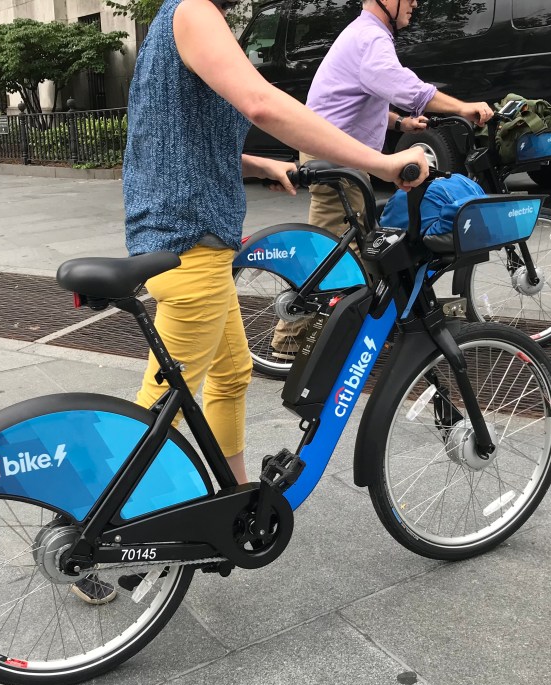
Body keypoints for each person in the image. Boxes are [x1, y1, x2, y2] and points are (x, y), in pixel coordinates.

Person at [69, 0, 428, 606]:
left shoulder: (177, 20)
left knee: (232, 374)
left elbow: (172, 137)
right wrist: (380, 160)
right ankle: (90, 538)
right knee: (160, 405)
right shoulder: (193, 12)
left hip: (195, 244)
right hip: (187, 248)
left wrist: (259, 162)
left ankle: (232, 504)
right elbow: (261, 103)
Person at [271, 0, 495, 356]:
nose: (416, 3)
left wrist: (400, 123)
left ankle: (366, 327)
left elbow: (359, 96)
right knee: (336, 253)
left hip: (341, 153)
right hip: (334, 157)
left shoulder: (365, 34)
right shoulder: (370, 37)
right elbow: (405, 87)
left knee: (353, 246)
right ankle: (292, 340)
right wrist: (461, 106)